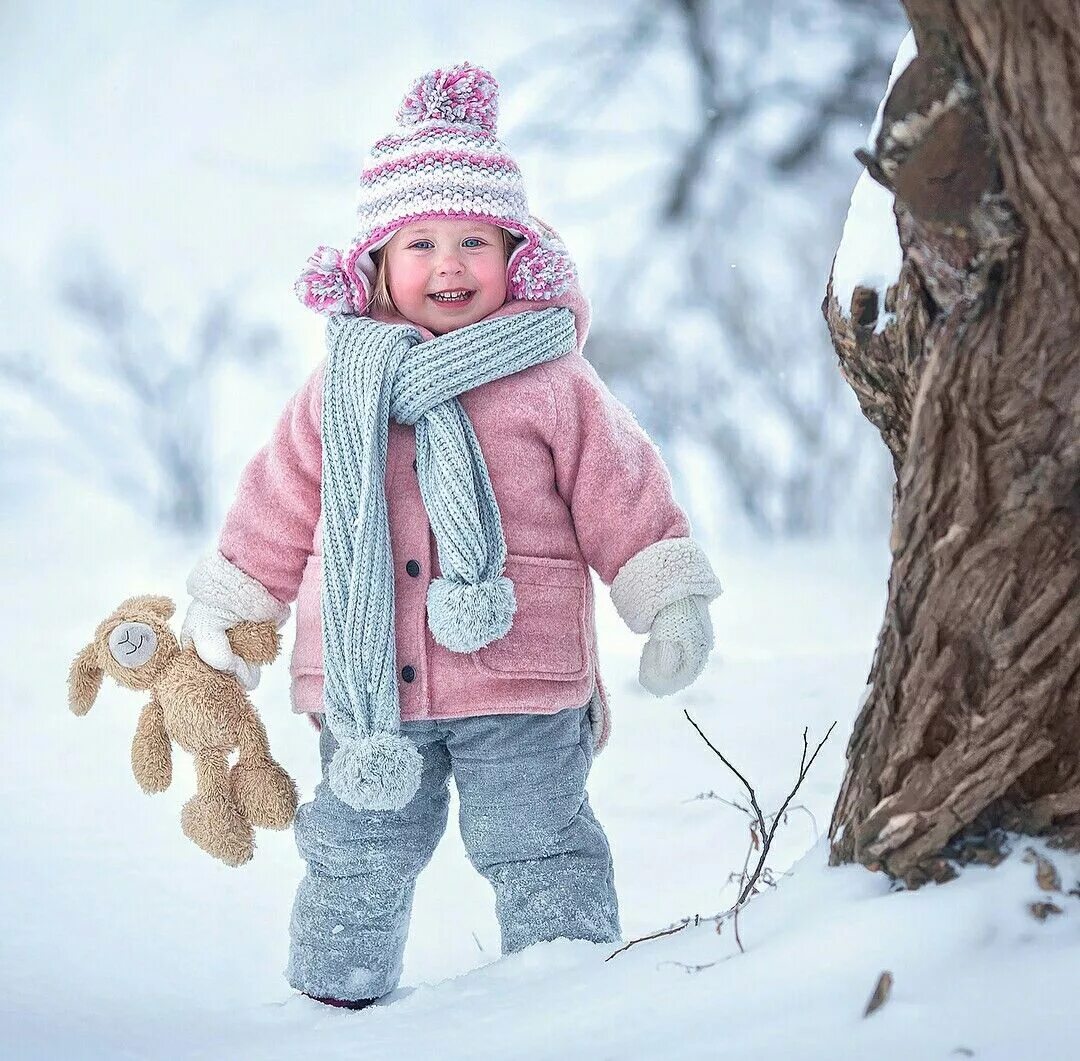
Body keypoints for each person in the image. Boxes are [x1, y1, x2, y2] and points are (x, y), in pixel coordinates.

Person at [181, 62, 722, 1009]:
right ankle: (333, 1001)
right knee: (354, 848)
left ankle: (569, 994)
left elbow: (622, 488)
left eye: (475, 239)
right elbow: (278, 499)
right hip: (366, 686)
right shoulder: (337, 392)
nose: (449, 264)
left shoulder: (551, 378)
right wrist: (237, 597)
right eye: (420, 242)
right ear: (377, 266)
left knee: (540, 834)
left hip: (521, 673)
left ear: (516, 253)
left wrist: (662, 590)